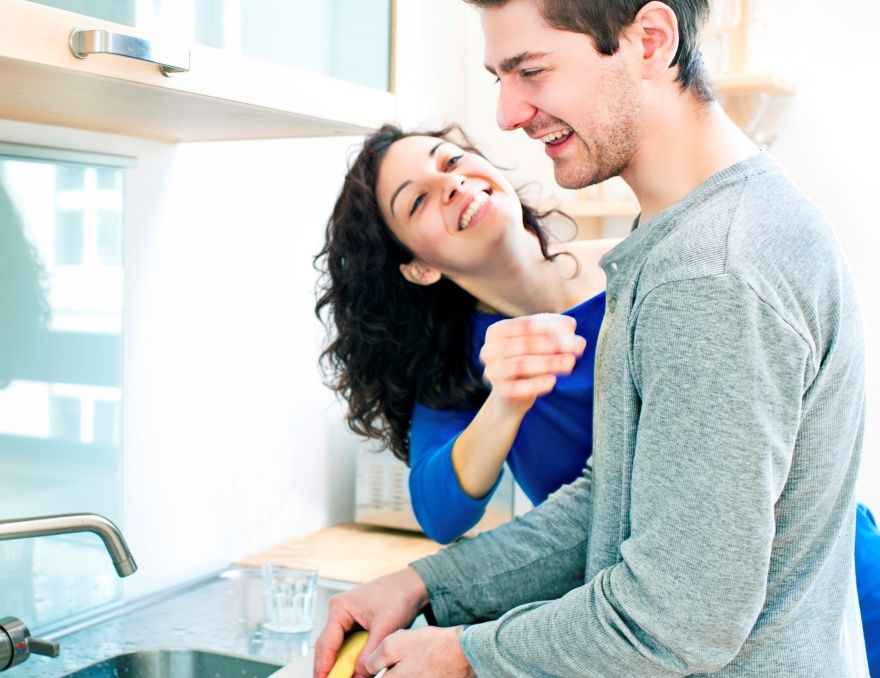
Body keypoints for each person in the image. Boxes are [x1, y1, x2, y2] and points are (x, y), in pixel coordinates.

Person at [314, 1, 870, 676]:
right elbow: (613, 495)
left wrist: (467, 655)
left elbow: (678, 617)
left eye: (533, 71)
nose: (507, 116)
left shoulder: (711, 272)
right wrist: (426, 584)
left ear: (650, 40)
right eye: (501, 79)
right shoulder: (672, 242)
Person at [315, 123, 614, 546]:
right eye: (418, 201)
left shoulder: (638, 265)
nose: (451, 182)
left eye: (451, 161)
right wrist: (505, 403)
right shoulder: (463, 363)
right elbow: (439, 517)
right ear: (420, 268)